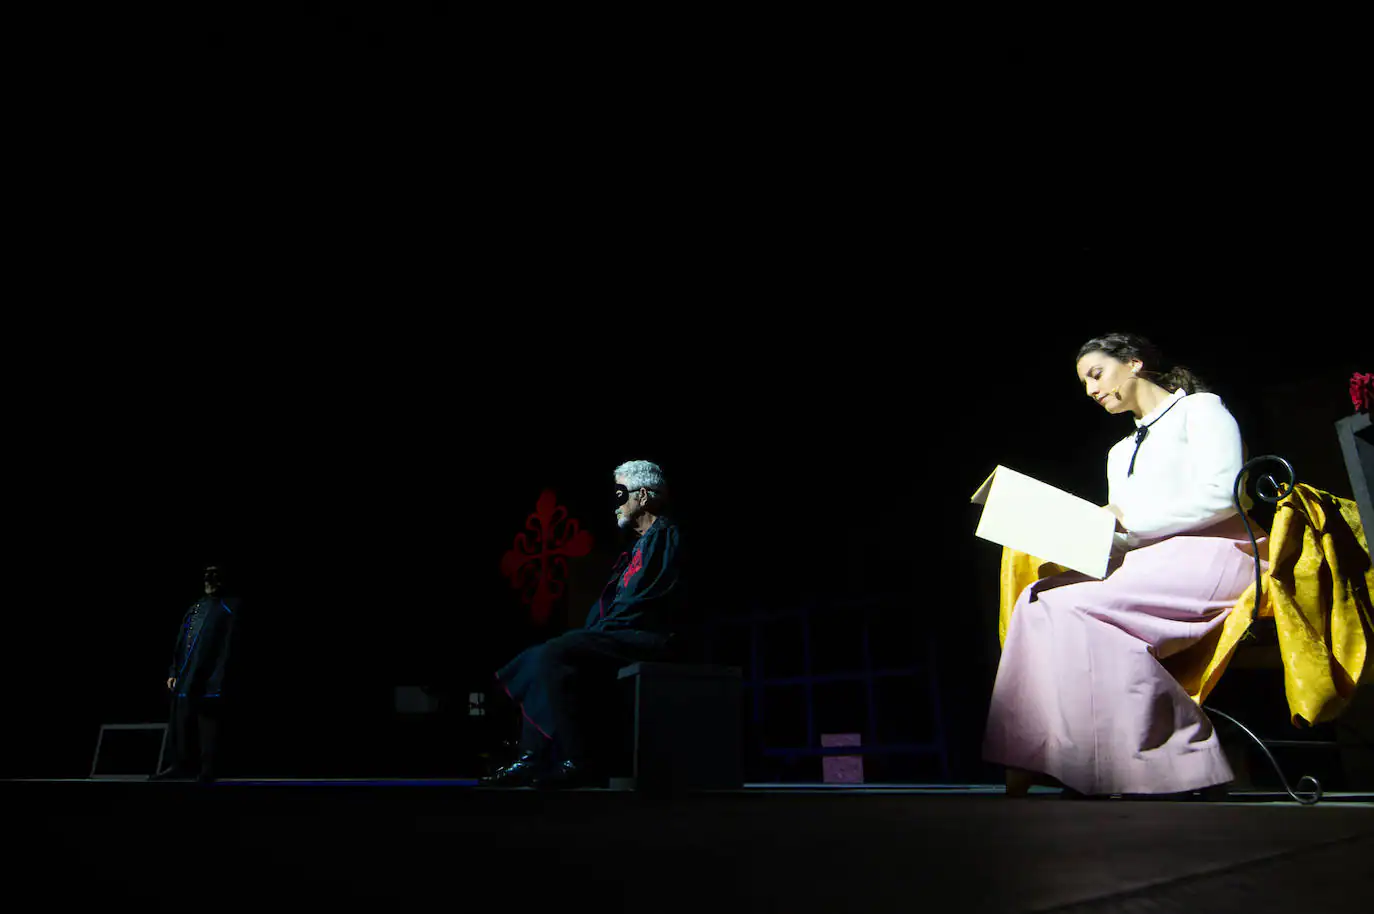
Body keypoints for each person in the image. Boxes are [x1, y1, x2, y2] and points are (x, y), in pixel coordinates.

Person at [983, 333, 1258, 798]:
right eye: (1085, 384)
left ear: (1133, 364)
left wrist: (1126, 524)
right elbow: (1123, 531)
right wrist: (1076, 531)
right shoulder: (1118, 451)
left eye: (1096, 374)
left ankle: (1177, 756)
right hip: (1153, 561)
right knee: (1035, 600)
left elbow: (1226, 495)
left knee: (1077, 609)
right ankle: (1039, 756)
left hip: (1216, 552)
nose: (1091, 390)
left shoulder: (1200, 409)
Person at [484, 460, 688, 788]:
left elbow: (649, 601)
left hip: (650, 636)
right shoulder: (634, 550)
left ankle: (573, 759)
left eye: (622, 493)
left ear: (646, 496)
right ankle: (533, 756)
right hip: (620, 634)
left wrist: (597, 635)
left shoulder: (667, 537)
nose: (615, 504)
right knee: (544, 655)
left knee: (556, 652)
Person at [153, 563, 240, 782]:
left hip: (210, 677)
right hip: (185, 675)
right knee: (180, 720)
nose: (210, 580)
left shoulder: (229, 607)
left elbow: (227, 647)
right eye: (207, 576)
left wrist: (218, 678)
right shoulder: (195, 607)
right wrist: (173, 670)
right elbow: (181, 642)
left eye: (215, 575)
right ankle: (178, 765)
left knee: (207, 722)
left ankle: (208, 769)